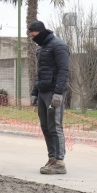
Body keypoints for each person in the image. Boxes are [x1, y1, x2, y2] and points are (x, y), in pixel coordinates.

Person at [28, 21, 70, 175]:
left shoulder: (58, 46)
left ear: (41, 31)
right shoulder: (41, 49)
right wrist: (34, 92)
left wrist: (58, 93)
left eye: (34, 35)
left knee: (55, 126)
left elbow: (63, 70)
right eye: (31, 35)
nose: (33, 38)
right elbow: (39, 73)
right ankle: (51, 158)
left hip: (54, 92)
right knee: (45, 127)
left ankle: (60, 162)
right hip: (42, 92)